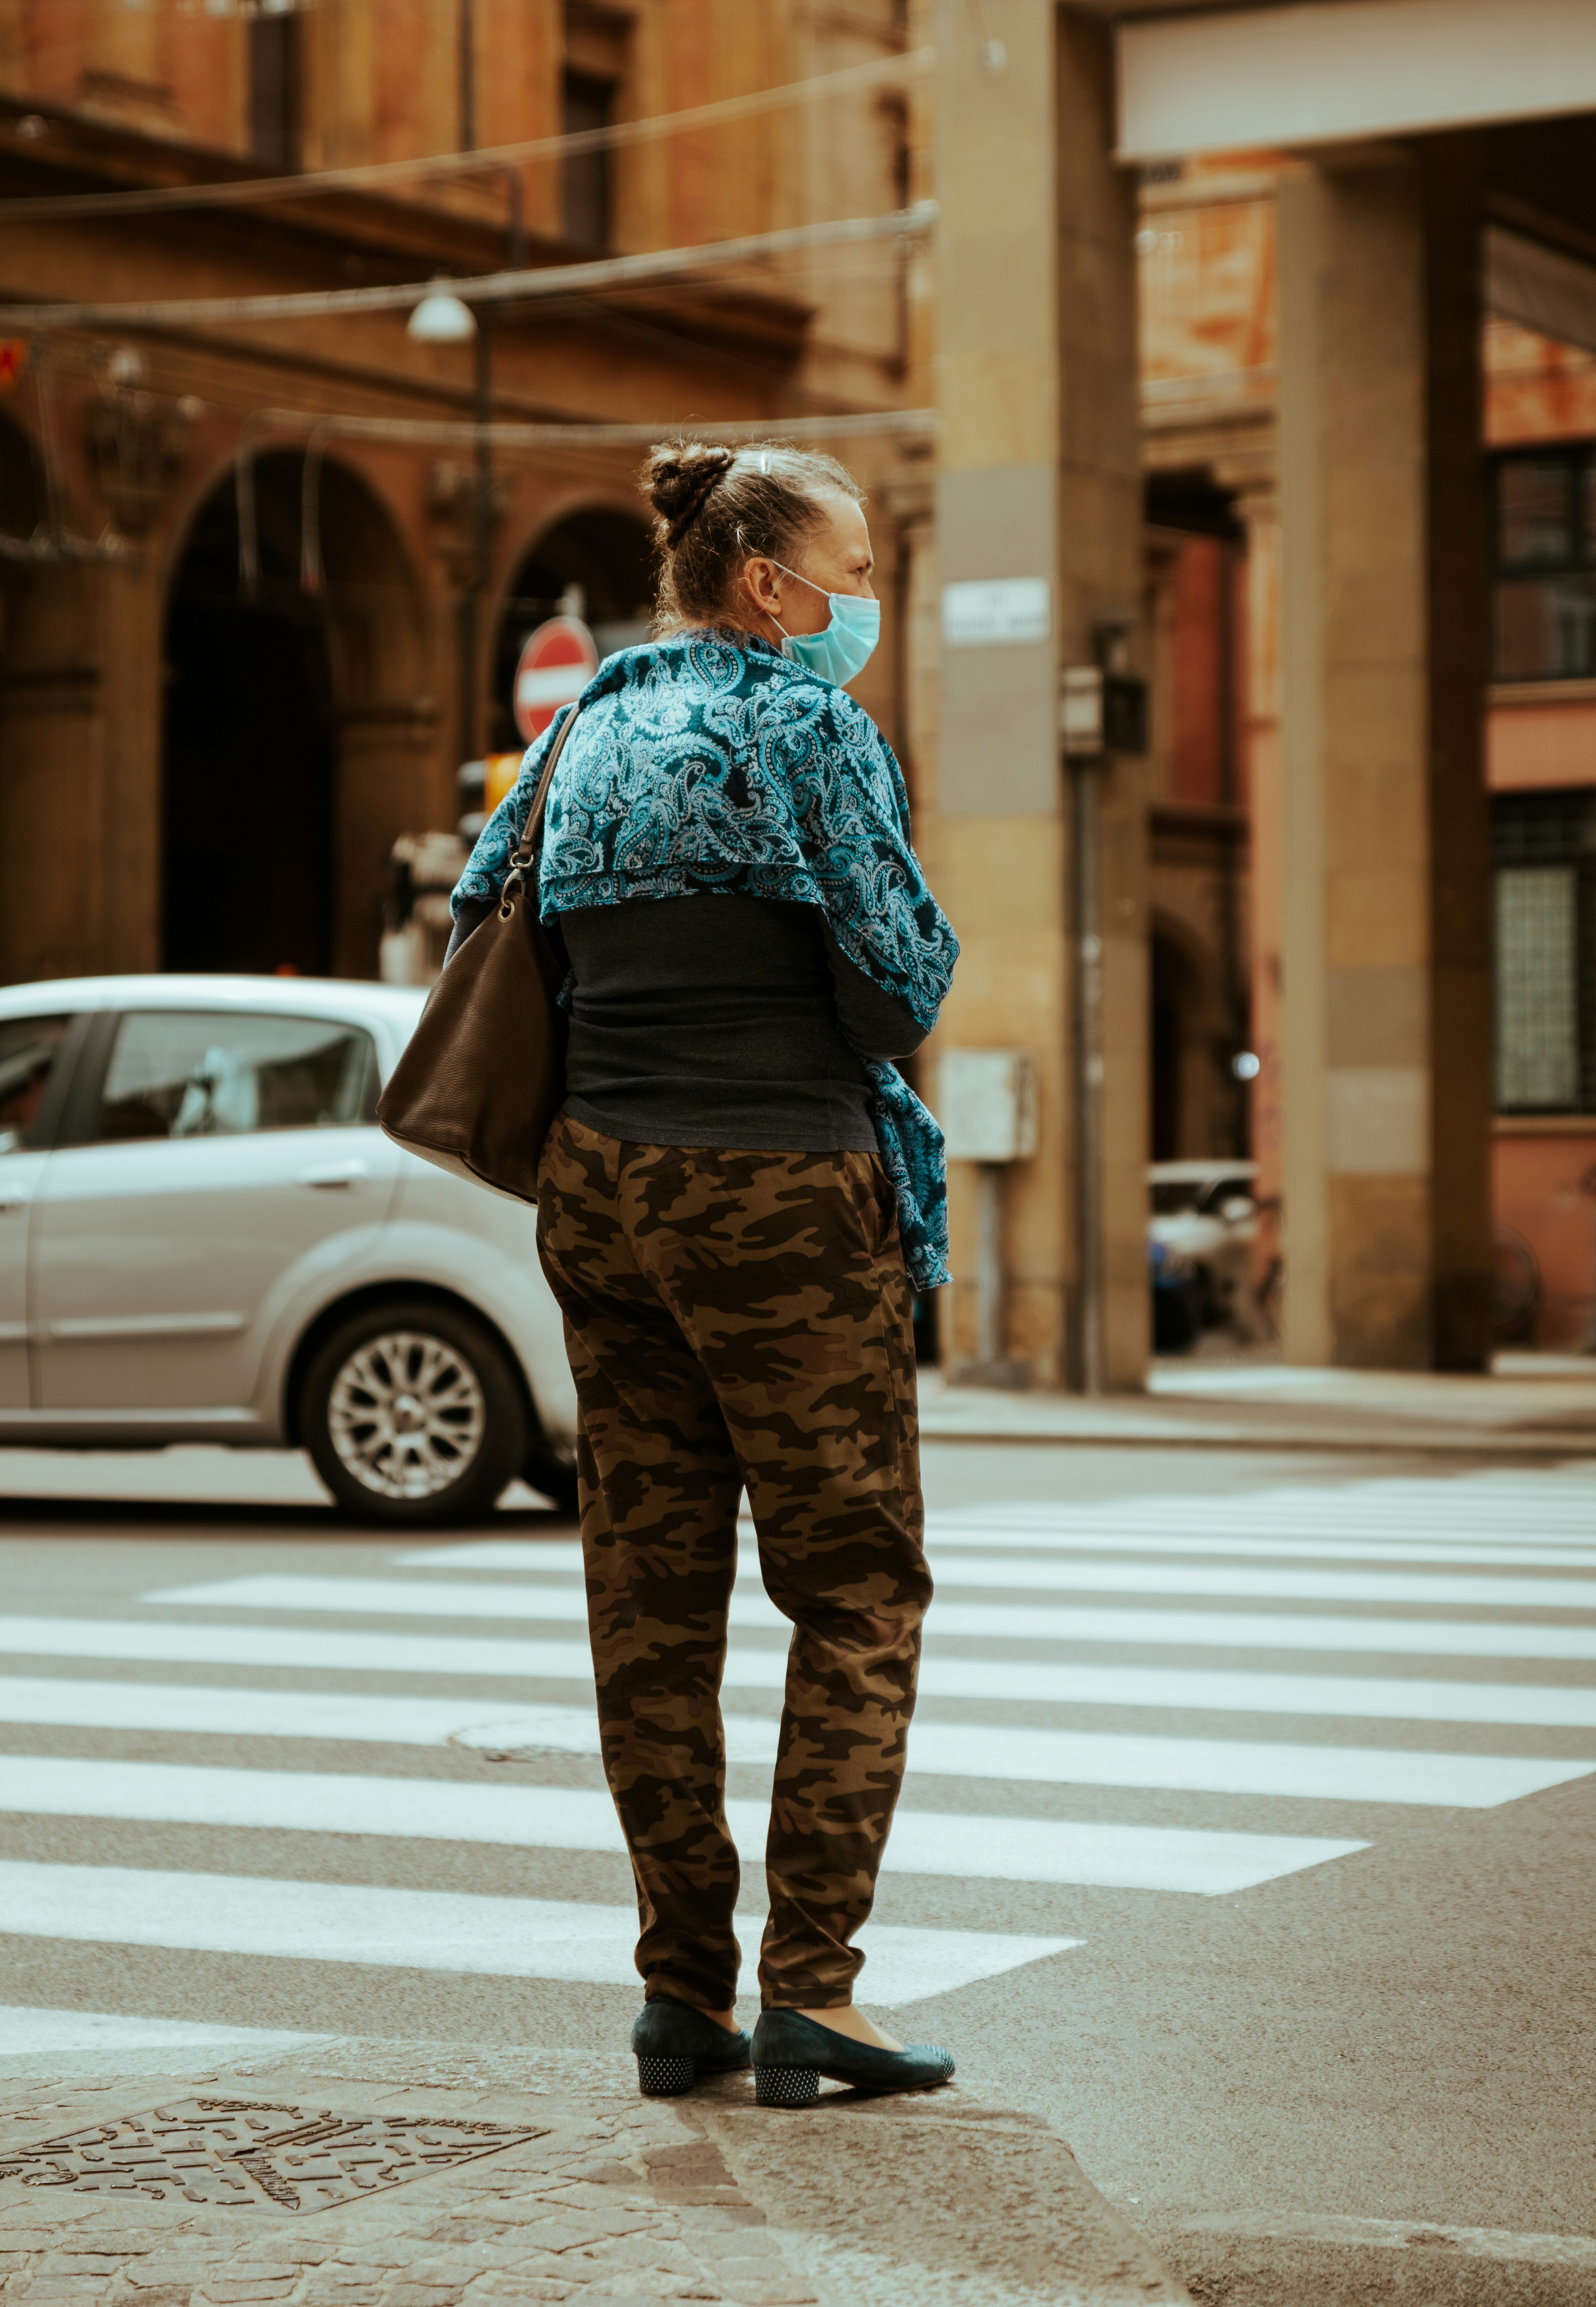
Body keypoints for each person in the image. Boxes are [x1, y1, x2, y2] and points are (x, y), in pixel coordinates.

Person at [448, 440, 959, 2112]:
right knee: (854, 1586)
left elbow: (476, 910)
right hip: (781, 1195)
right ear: (768, 585)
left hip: (600, 1191)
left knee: (650, 1603)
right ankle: (815, 1990)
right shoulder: (807, 724)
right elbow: (899, 983)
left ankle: (683, 1996)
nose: (867, 600)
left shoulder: (581, 726)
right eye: (858, 570)